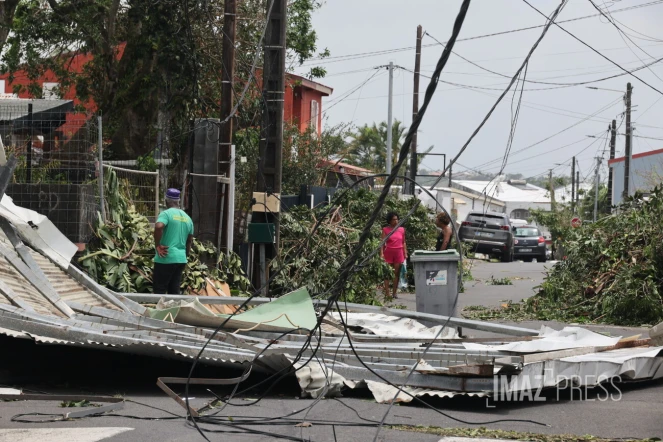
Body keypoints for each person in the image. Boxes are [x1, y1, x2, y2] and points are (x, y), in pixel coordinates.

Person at [153, 188, 194, 294]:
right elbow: (189, 241)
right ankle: (173, 311)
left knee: (160, 290)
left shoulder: (166, 214)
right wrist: (185, 255)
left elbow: (158, 227)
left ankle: (160, 311)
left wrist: (158, 245)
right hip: (180, 259)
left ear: (166, 200)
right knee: (174, 291)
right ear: (178, 201)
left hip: (166, 257)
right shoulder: (188, 218)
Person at [381, 211, 407, 299]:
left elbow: (403, 242)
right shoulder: (385, 229)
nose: (395, 221)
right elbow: (382, 243)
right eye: (393, 220)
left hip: (399, 252)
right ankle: (387, 293)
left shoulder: (402, 229)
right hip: (388, 252)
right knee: (387, 273)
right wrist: (381, 254)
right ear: (389, 221)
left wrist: (405, 253)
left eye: (397, 219)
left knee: (396, 273)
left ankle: (394, 293)